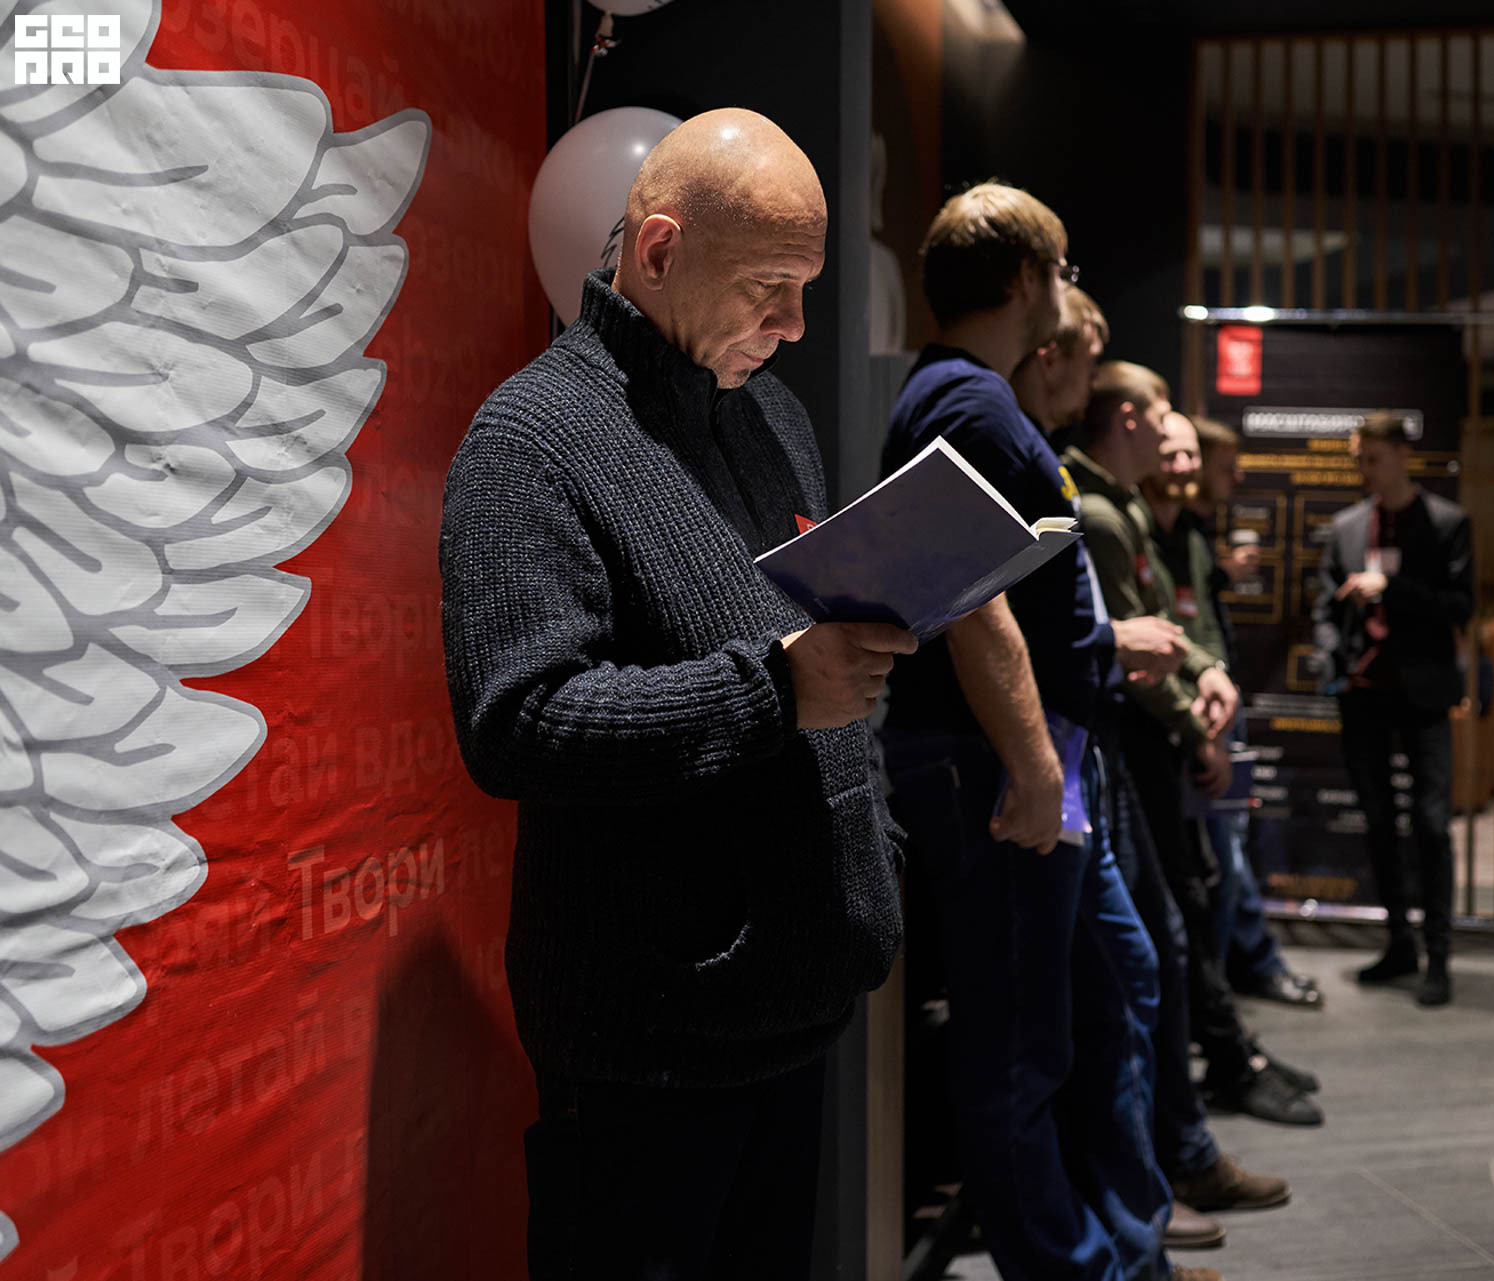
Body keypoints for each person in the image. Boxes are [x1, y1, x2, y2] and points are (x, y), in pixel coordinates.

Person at [439, 109, 918, 1280]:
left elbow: (816, 659)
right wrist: (777, 691)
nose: (793, 327)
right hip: (645, 1048)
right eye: (768, 289)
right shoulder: (529, 439)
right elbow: (519, 724)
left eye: (804, 290)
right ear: (657, 252)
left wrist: (871, 839)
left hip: (791, 1009)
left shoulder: (770, 415)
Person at [879, 182, 1217, 1281]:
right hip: (1001, 762)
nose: (1070, 292)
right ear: (1028, 279)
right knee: (1020, 1050)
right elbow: (964, 600)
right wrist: (1032, 765)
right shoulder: (969, 407)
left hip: (1027, 756)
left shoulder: (971, 400)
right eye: (1063, 271)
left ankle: (1121, 1254)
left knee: (1088, 1007)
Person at [1011, 294, 1294, 1250]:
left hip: (1099, 749)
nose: (1181, 439)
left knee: (1157, 949)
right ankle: (1151, 1181)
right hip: (1096, 750)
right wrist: (1183, 703)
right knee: (1136, 963)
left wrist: (1194, 668)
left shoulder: (1113, 503)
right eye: (1165, 414)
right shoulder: (1086, 498)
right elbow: (1072, 634)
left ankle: (1159, 1173)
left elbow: (1162, 624)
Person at [1066, 364, 1324, 1129]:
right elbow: (1138, 646)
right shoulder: (1107, 513)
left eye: (1189, 450)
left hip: (1172, 730)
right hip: (1142, 738)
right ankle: (1201, 1090)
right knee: (1175, 913)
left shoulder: (1138, 515)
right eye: (1167, 435)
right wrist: (1192, 719)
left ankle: (1219, 1064)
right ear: (1130, 421)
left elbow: (1176, 629)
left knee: (1200, 892)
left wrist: (1205, 674)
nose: (1181, 461)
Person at [1312, 410, 1473, 1007]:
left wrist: (1391, 589)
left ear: (1404, 456)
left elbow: (1459, 606)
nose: (1365, 470)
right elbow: (1325, 606)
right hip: (1364, 692)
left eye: (1373, 459)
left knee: (1431, 824)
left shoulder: (1447, 523)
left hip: (1424, 693)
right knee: (1379, 822)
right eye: (1359, 460)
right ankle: (1400, 942)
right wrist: (1333, 657)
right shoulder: (1347, 527)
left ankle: (1439, 955)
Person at [1179, 415, 1322, 1010]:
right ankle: (1241, 976)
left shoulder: (1191, 533)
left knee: (1225, 849)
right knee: (1223, 851)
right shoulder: (1174, 531)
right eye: (1226, 466)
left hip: (1211, 701)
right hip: (1200, 710)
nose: (1236, 478)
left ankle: (1232, 978)